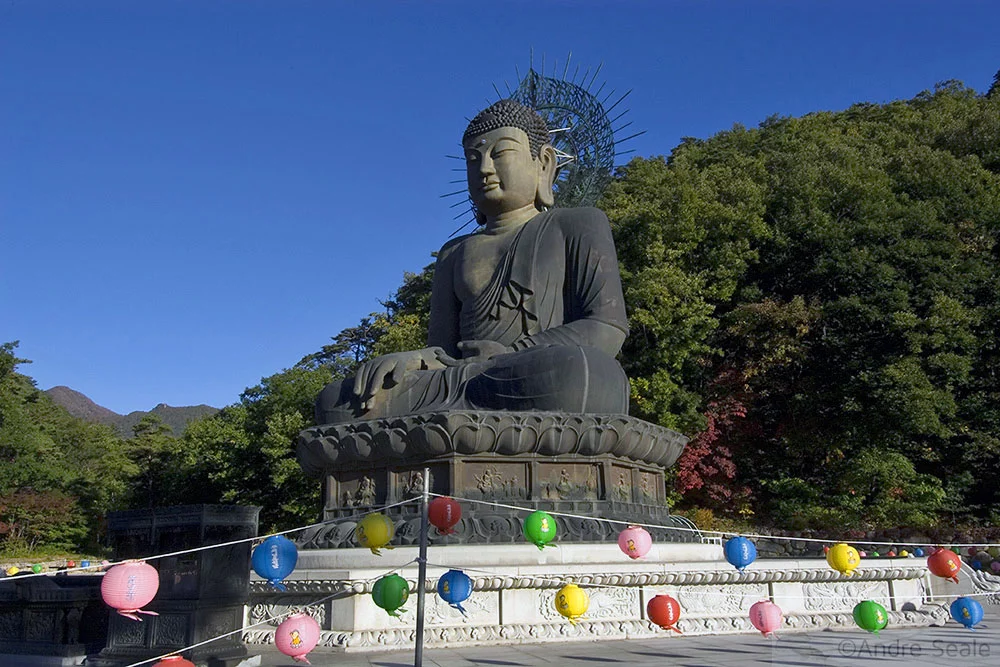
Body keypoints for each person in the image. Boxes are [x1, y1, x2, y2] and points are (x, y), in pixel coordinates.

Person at [316, 99, 630, 424]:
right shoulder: (454, 252)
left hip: (527, 373)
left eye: (500, 153)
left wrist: (511, 354)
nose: (484, 169)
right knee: (337, 401)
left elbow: (607, 327)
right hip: (461, 380)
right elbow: (443, 351)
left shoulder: (577, 224)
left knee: (577, 373)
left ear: (544, 163)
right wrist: (413, 361)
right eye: (472, 159)